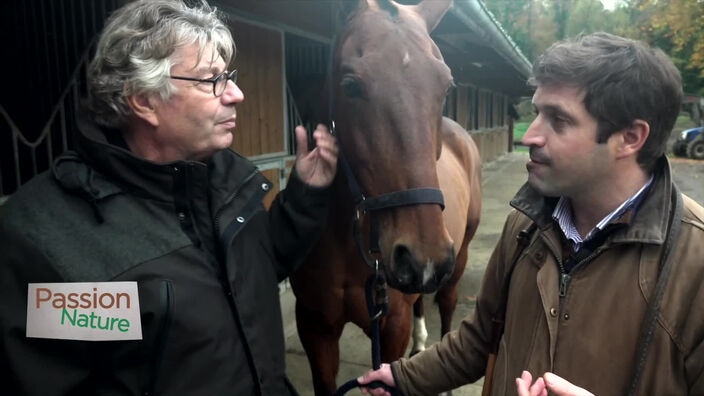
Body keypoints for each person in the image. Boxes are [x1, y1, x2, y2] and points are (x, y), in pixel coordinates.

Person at [0, 1, 337, 395]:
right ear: (144, 100)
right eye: (212, 80)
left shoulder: (225, 181)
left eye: (229, 76)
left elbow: (256, 271)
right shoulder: (46, 242)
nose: (237, 94)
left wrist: (305, 194)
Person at [358, 32, 704, 395]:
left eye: (558, 120)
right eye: (537, 112)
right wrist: (404, 378)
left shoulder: (693, 264)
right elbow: (479, 338)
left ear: (630, 138)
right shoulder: (525, 225)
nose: (529, 136)